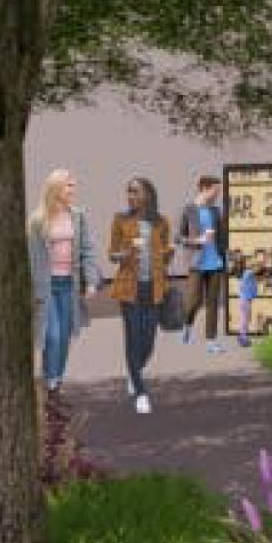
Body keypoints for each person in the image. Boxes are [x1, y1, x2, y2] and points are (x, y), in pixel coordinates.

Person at [27, 169, 105, 395]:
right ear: (56, 189)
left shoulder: (78, 216)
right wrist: (33, 291)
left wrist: (90, 281)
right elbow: (32, 258)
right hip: (47, 286)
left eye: (73, 185)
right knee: (51, 336)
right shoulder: (37, 220)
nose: (73, 190)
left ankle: (55, 382)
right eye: (69, 185)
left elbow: (87, 250)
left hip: (68, 286)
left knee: (64, 337)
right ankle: (49, 382)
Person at [109, 177, 173, 414]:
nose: (130, 196)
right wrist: (126, 253)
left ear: (147, 194)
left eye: (135, 192)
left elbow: (165, 254)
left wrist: (168, 253)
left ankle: (133, 370)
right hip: (129, 289)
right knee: (133, 338)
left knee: (148, 341)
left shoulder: (161, 222)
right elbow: (112, 255)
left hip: (154, 288)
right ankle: (140, 391)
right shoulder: (120, 220)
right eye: (128, 192)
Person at [178, 174, 228, 353]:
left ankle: (211, 341)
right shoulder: (189, 210)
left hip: (215, 263)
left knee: (213, 303)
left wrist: (226, 258)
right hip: (197, 264)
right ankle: (187, 324)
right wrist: (197, 240)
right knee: (194, 301)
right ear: (204, 189)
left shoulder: (216, 211)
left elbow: (223, 237)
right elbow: (179, 237)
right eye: (216, 190)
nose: (217, 194)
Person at [235, 252, 258, 348]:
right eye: (247, 261)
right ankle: (243, 337)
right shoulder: (247, 273)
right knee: (245, 319)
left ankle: (243, 336)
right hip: (245, 300)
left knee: (245, 318)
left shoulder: (243, 273)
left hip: (244, 299)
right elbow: (256, 269)